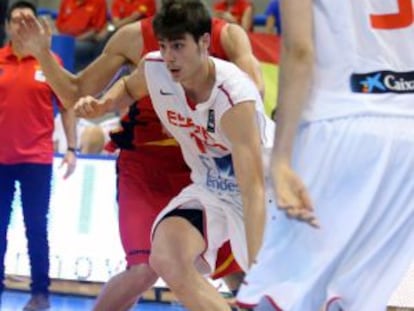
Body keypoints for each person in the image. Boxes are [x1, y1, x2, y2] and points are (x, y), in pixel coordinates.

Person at [15, 2, 264, 310]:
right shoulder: (147, 52)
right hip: (158, 167)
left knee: (252, 275)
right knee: (153, 264)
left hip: (225, 167)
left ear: (203, 44)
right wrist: (102, 102)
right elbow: (98, 90)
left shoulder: (227, 51)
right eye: (165, 46)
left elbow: (256, 95)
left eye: (177, 46)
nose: (170, 55)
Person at [237, 0, 414, 310]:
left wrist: (280, 159)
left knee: (281, 293)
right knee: (357, 295)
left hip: (338, 124)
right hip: (406, 133)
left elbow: (300, 49)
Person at [0, 1, 77, 310]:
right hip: (1, 160)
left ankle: (40, 294)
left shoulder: (51, 63)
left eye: (28, 19)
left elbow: (70, 105)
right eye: (16, 19)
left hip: (37, 160)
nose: (22, 24)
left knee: (36, 227)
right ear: (6, 26)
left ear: (38, 25)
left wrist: (72, 148)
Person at [55, 0, 109, 71]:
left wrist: (75, 40)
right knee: (50, 46)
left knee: (70, 48)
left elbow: (95, 30)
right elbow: (59, 25)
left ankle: (69, 76)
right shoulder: (66, 1)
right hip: (65, 38)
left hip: (87, 41)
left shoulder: (99, 2)